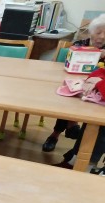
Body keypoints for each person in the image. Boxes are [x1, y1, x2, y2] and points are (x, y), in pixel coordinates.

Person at [43, 13, 105, 153]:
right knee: (67, 101)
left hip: (95, 90)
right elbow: (69, 63)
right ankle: (61, 131)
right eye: (98, 32)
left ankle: (72, 137)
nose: (101, 37)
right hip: (74, 82)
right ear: (91, 32)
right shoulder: (79, 45)